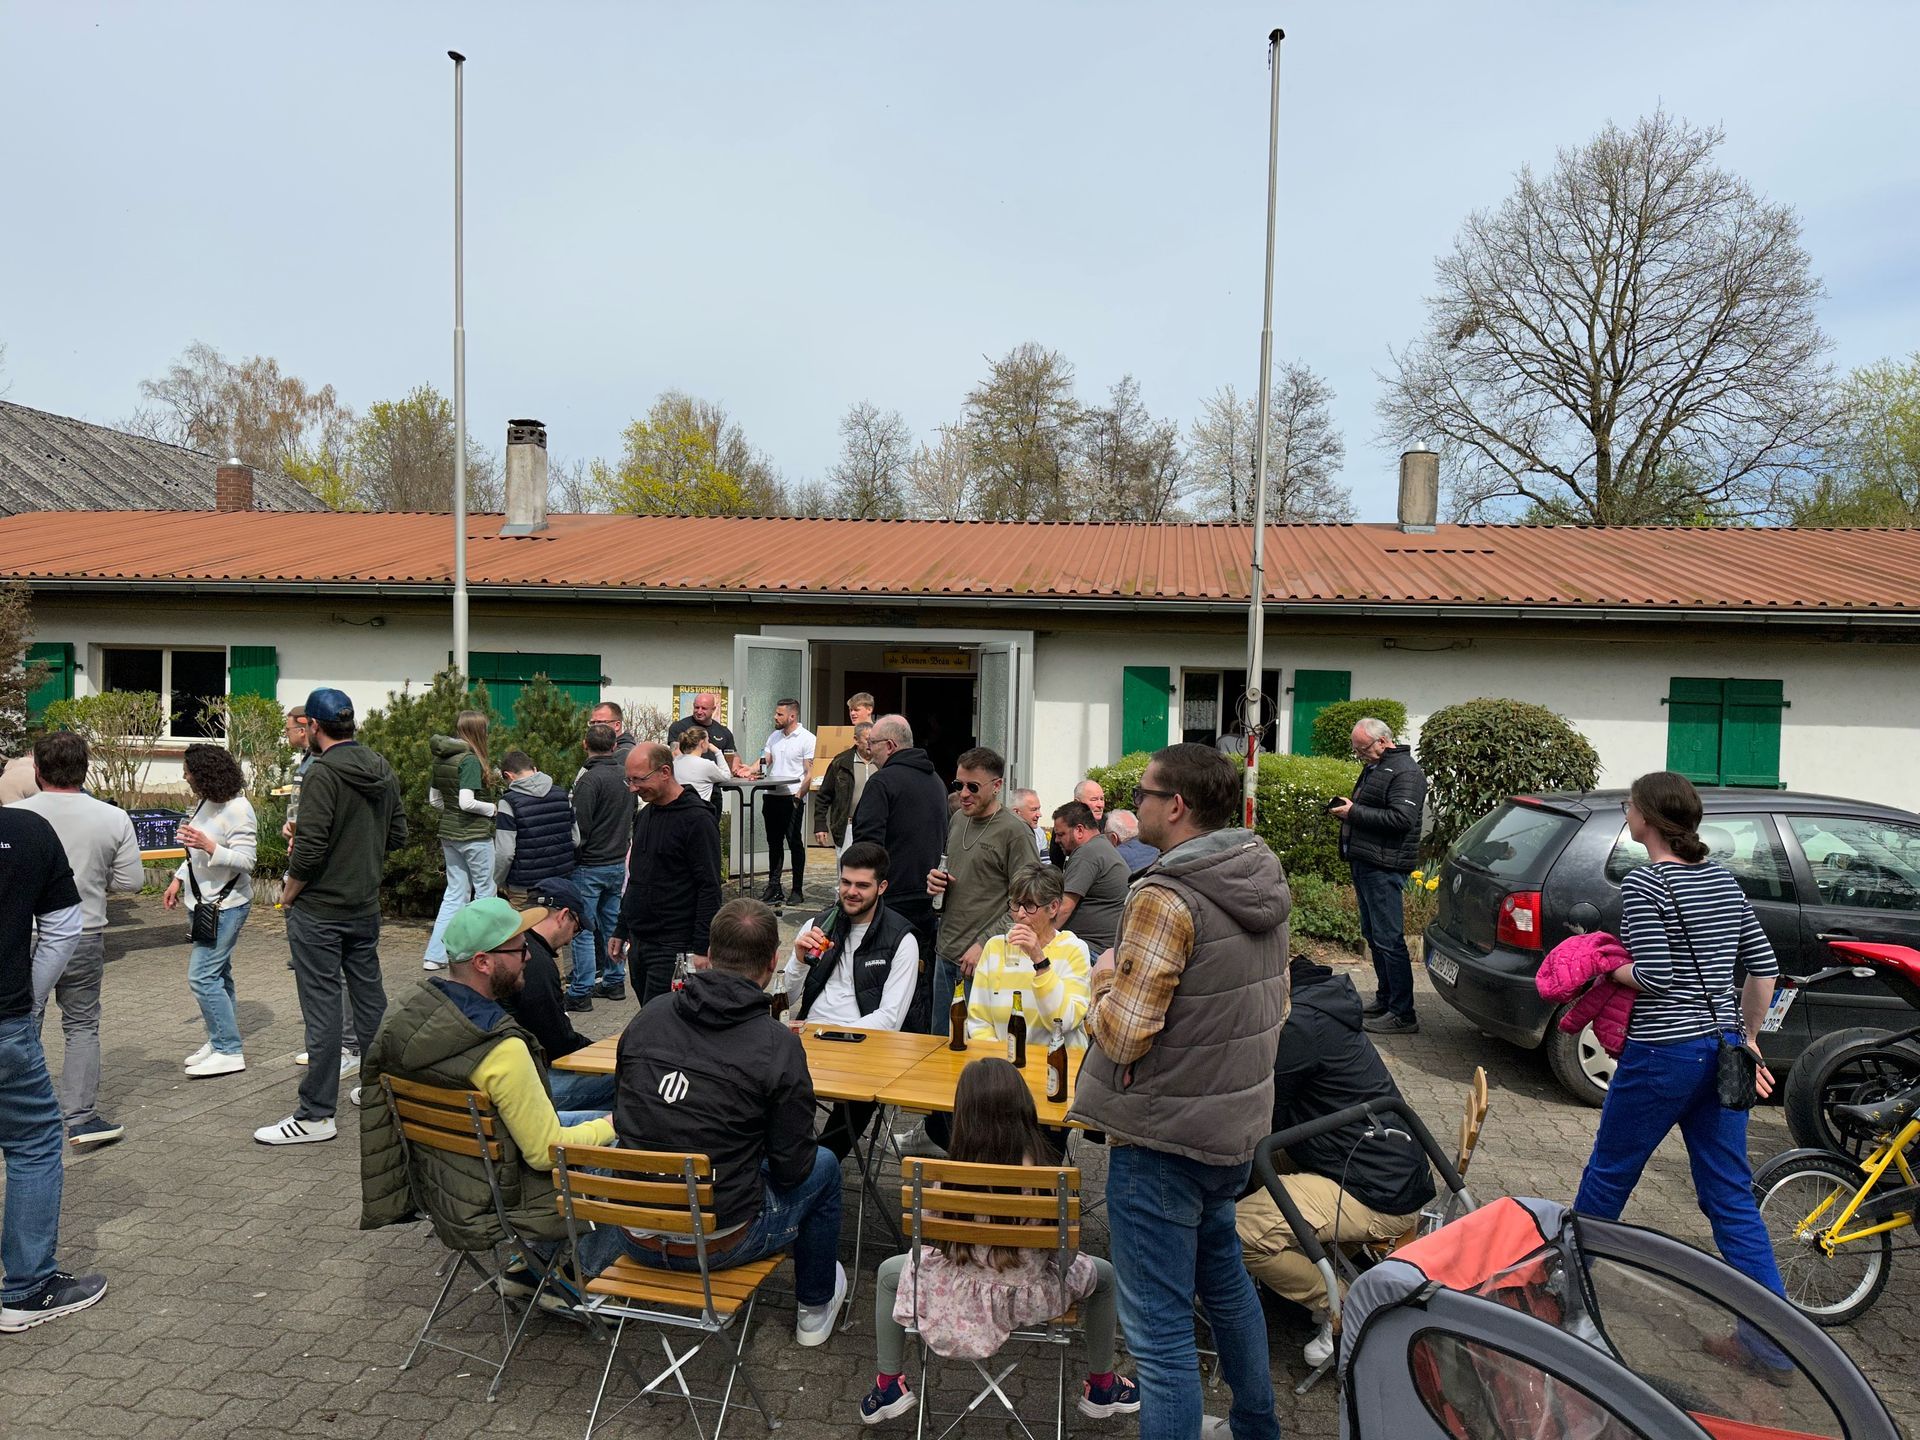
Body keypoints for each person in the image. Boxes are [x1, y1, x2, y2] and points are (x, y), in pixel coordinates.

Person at [1068, 742, 1290, 1440]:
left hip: (1161, 1137)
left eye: (1143, 792)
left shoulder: (1164, 894)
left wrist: (1100, 982)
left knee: (1160, 1340)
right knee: (1226, 1288)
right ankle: (1256, 1428)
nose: (1133, 803)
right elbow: (1272, 1003)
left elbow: (1124, 1035)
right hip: (1230, 1130)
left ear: (1177, 806)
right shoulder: (1256, 872)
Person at [1571, 770, 1793, 1382]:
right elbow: (1764, 968)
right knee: (1730, 1197)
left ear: (1647, 818)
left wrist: (1604, 969)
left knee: (1609, 1175)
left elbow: (1656, 977)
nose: (1625, 811)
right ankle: (1774, 1348)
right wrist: (1749, 1040)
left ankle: (1561, 1301)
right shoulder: (1722, 879)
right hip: (1722, 1053)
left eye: (1629, 804)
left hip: (1663, 1054)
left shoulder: (1646, 883)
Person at [581, 898, 848, 1348]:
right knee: (824, 1165)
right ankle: (814, 1306)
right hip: (722, 1241)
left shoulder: (648, 1017)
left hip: (633, 1232)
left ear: (708, 952)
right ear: (773, 961)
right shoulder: (776, 1044)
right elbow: (792, 1169)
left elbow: (628, 1113)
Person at [861, 1059, 1138, 1425]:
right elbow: (1065, 1256)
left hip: (957, 1290)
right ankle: (1101, 1386)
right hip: (1028, 1297)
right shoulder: (1049, 1179)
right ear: (1024, 1109)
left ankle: (889, 1385)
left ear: (963, 1114)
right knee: (1106, 1277)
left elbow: (933, 1238)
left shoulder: (945, 1176)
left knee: (887, 1273)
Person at [359, 897, 615, 1264]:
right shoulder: (501, 1048)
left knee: (591, 1119)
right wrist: (613, 1124)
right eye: (520, 949)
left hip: (440, 1182)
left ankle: (536, 1266)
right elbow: (545, 1152)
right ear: (483, 962)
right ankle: (589, 1268)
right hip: (504, 1191)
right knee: (629, 1135)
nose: (529, 956)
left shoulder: (405, 1016)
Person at [1235, 956, 1436, 1368]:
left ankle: (1343, 1305)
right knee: (1252, 1168)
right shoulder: (1316, 1004)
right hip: (1374, 1168)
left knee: (1237, 1232)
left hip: (1375, 1191)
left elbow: (1257, 1116)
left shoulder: (1297, 1026)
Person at [261, 687, 406, 1146]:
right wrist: (352, 846)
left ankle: (316, 1115)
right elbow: (396, 835)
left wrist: (288, 894)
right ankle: (382, 1091)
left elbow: (309, 852)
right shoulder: (380, 767)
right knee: (370, 1003)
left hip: (319, 910)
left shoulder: (321, 772)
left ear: (314, 726)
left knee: (322, 1011)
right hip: (363, 906)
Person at [0, 801, 107, 1332]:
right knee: (33, 1142)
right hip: (5, 1021)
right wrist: (30, 1001)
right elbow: (64, 928)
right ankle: (27, 1287)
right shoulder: (25, 830)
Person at [14, 733, 142, 1146]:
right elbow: (132, 882)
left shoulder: (14, 816)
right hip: (84, 931)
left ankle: (19, 1112)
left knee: (22, 1021)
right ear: (85, 769)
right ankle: (81, 1118)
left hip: (25, 932)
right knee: (82, 1024)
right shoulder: (113, 817)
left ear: (37, 770)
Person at [783, 841, 919, 1159]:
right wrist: (799, 960)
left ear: (881, 887)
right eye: (846, 882)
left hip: (866, 1046)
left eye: (862, 885)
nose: (851, 892)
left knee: (862, 1089)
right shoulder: (818, 925)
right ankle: (785, 1155)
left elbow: (889, 1019)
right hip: (809, 1039)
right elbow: (785, 998)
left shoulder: (901, 939)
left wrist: (832, 1037)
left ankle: (819, 1162)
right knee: (762, 1071)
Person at [161, 743, 257, 1081]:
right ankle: (219, 1041)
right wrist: (178, 879)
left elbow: (247, 861)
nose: (185, 777)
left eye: (188, 771)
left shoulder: (238, 808)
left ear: (206, 773)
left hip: (227, 906)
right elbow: (194, 853)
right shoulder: (206, 802)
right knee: (219, 975)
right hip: (202, 904)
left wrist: (209, 845)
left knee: (202, 977)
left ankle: (229, 1050)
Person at [1331, 717, 1428, 1037]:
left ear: (1383, 741)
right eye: (1357, 751)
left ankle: (1402, 1013)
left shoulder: (1406, 772)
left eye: (1363, 749)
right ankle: (1386, 1000)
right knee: (1374, 936)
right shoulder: (1378, 767)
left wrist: (1353, 812)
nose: (1360, 755)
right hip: (1367, 862)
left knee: (1389, 940)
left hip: (1384, 867)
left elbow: (1402, 819)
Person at [851, 715, 948, 1031]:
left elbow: (867, 849)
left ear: (890, 746)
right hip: (928, 901)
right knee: (918, 982)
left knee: (882, 985)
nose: (869, 752)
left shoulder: (882, 783)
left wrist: (860, 897)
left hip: (890, 903)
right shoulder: (936, 782)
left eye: (873, 745)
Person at [609, 743, 723, 1005]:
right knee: (649, 1014)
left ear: (665, 772)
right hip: (640, 941)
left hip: (674, 945)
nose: (633, 788)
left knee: (662, 1018)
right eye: (629, 780)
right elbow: (636, 879)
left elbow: (709, 887)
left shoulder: (697, 819)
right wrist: (621, 928)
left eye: (639, 779)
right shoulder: (645, 815)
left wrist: (701, 947)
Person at [925, 747, 1034, 1014]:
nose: (963, 794)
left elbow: (1027, 903)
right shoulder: (958, 820)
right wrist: (936, 883)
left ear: (997, 786)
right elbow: (962, 875)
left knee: (976, 1038)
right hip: (946, 952)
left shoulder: (1015, 832)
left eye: (972, 787)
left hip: (984, 961)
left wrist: (985, 943)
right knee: (942, 1037)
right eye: (958, 785)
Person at [511, 878, 616, 1114]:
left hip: (505, 1079)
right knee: (627, 1079)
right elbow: (557, 1042)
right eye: (576, 929)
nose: (569, 940)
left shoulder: (514, 947)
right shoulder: (535, 963)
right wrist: (598, 1051)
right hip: (527, 1085)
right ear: (563, 916)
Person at [964, 865, 1092, 1054]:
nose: (1020, 914)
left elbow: (1062, 1022)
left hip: (1058, 1060)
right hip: (1003, 1062)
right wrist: (1001, 1061)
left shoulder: (1073, 949)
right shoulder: (995, 947)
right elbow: (979, 1021)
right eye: (1016, 904)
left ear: (1053, 907)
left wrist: (1039, 960)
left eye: (1030, 906)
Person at [423, 710, 498, 972]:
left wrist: (452, 813)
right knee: (485, 892)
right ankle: (480, 952)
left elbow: (434, 800)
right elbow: (467, 803)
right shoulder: (470, 760)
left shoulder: (442, 757)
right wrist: (492, 809)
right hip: (474, 835)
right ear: (479, 731)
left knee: (455, 894)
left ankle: (435, 956)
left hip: (449, 834)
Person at [567, 721, 634, 1010]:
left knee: (582, 928)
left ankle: (580, 990)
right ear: (615, 746)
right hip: (617, 861)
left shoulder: (589, 781)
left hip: (590, 864)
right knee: (612, 925)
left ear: (585, 745)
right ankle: (614, 980)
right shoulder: (625, 777)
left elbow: (579, 828)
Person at [492, 749, 578, 901]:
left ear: (508, 775)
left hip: (524, 887)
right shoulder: (562, 795)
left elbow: (505, 853)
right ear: (534, 769)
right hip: (560, 882)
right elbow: (576, 839)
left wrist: (498, 880)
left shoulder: (508, 802)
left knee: (524, 918)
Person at [754, 698, 815, 906]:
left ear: (792, 716)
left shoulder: (807, 739)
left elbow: (810, 772)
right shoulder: (774, 736)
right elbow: (765, 761)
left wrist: (800, 795)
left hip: (792, 797)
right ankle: (774, 887)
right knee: (774, 843)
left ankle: (797, 890)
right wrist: (747, 769)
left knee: (794, 842)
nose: (775, 717)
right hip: (772, 795)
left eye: (779, 714)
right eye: (776, 713)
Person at [1050, 800, 1130, 955]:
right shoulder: (1100, 846)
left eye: (1061, 834)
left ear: (1079, 830)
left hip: (1092, 950)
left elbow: (1064, 907)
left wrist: (1040, 938)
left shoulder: (1087, 853)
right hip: (1102, 947)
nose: (1056, 840)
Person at [812, 721, 874, 854]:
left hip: (875, 826)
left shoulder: (883, 763)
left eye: (874, 740)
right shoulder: (841, 763)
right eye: (867, 740)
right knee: (847, 864)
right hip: (848, 828)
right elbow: (824, 796)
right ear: (856, 740)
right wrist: (820, 825)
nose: (871, 744)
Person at [666, 692, 736, 765]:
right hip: (690, 770)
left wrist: (736, 767)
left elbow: (734, 756)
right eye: (697, 707)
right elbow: (675, 754)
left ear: (713, 709)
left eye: (704, 708)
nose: (699, 712)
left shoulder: (724, 732)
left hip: (716, 771)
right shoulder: (679, 727)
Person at [673, 725, 734, 802]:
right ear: (702, 743)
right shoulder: (706, 765)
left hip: (679, 806)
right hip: (700, 807)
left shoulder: (676, 761)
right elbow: (726, 776)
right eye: (707, 740)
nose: (708, 743)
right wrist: (718, 752)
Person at [1010, 788, 1049, 863]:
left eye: (1039, 809)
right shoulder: (1002, 833)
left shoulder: (1039, 833)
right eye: (1034, 810)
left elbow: (1045, 864)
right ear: (1016, 812)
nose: (1039, 815)